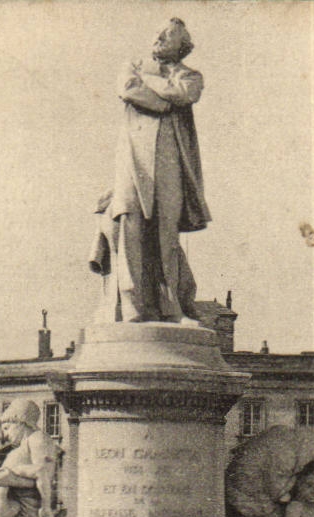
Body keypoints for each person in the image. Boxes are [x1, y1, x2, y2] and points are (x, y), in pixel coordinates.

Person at [90, 18, 209, 323]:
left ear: (182, 46)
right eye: (156, 32)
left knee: (166, 232)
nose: (157, 37)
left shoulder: (191, 75)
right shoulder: (133, 64)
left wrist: (152, 83)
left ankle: (172, 307)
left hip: (170, 159)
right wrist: (164, 98)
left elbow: (185, 94)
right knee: (129, 222)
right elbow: (129, 89)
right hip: (133, 158)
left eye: (166, 35)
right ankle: (132, 303)